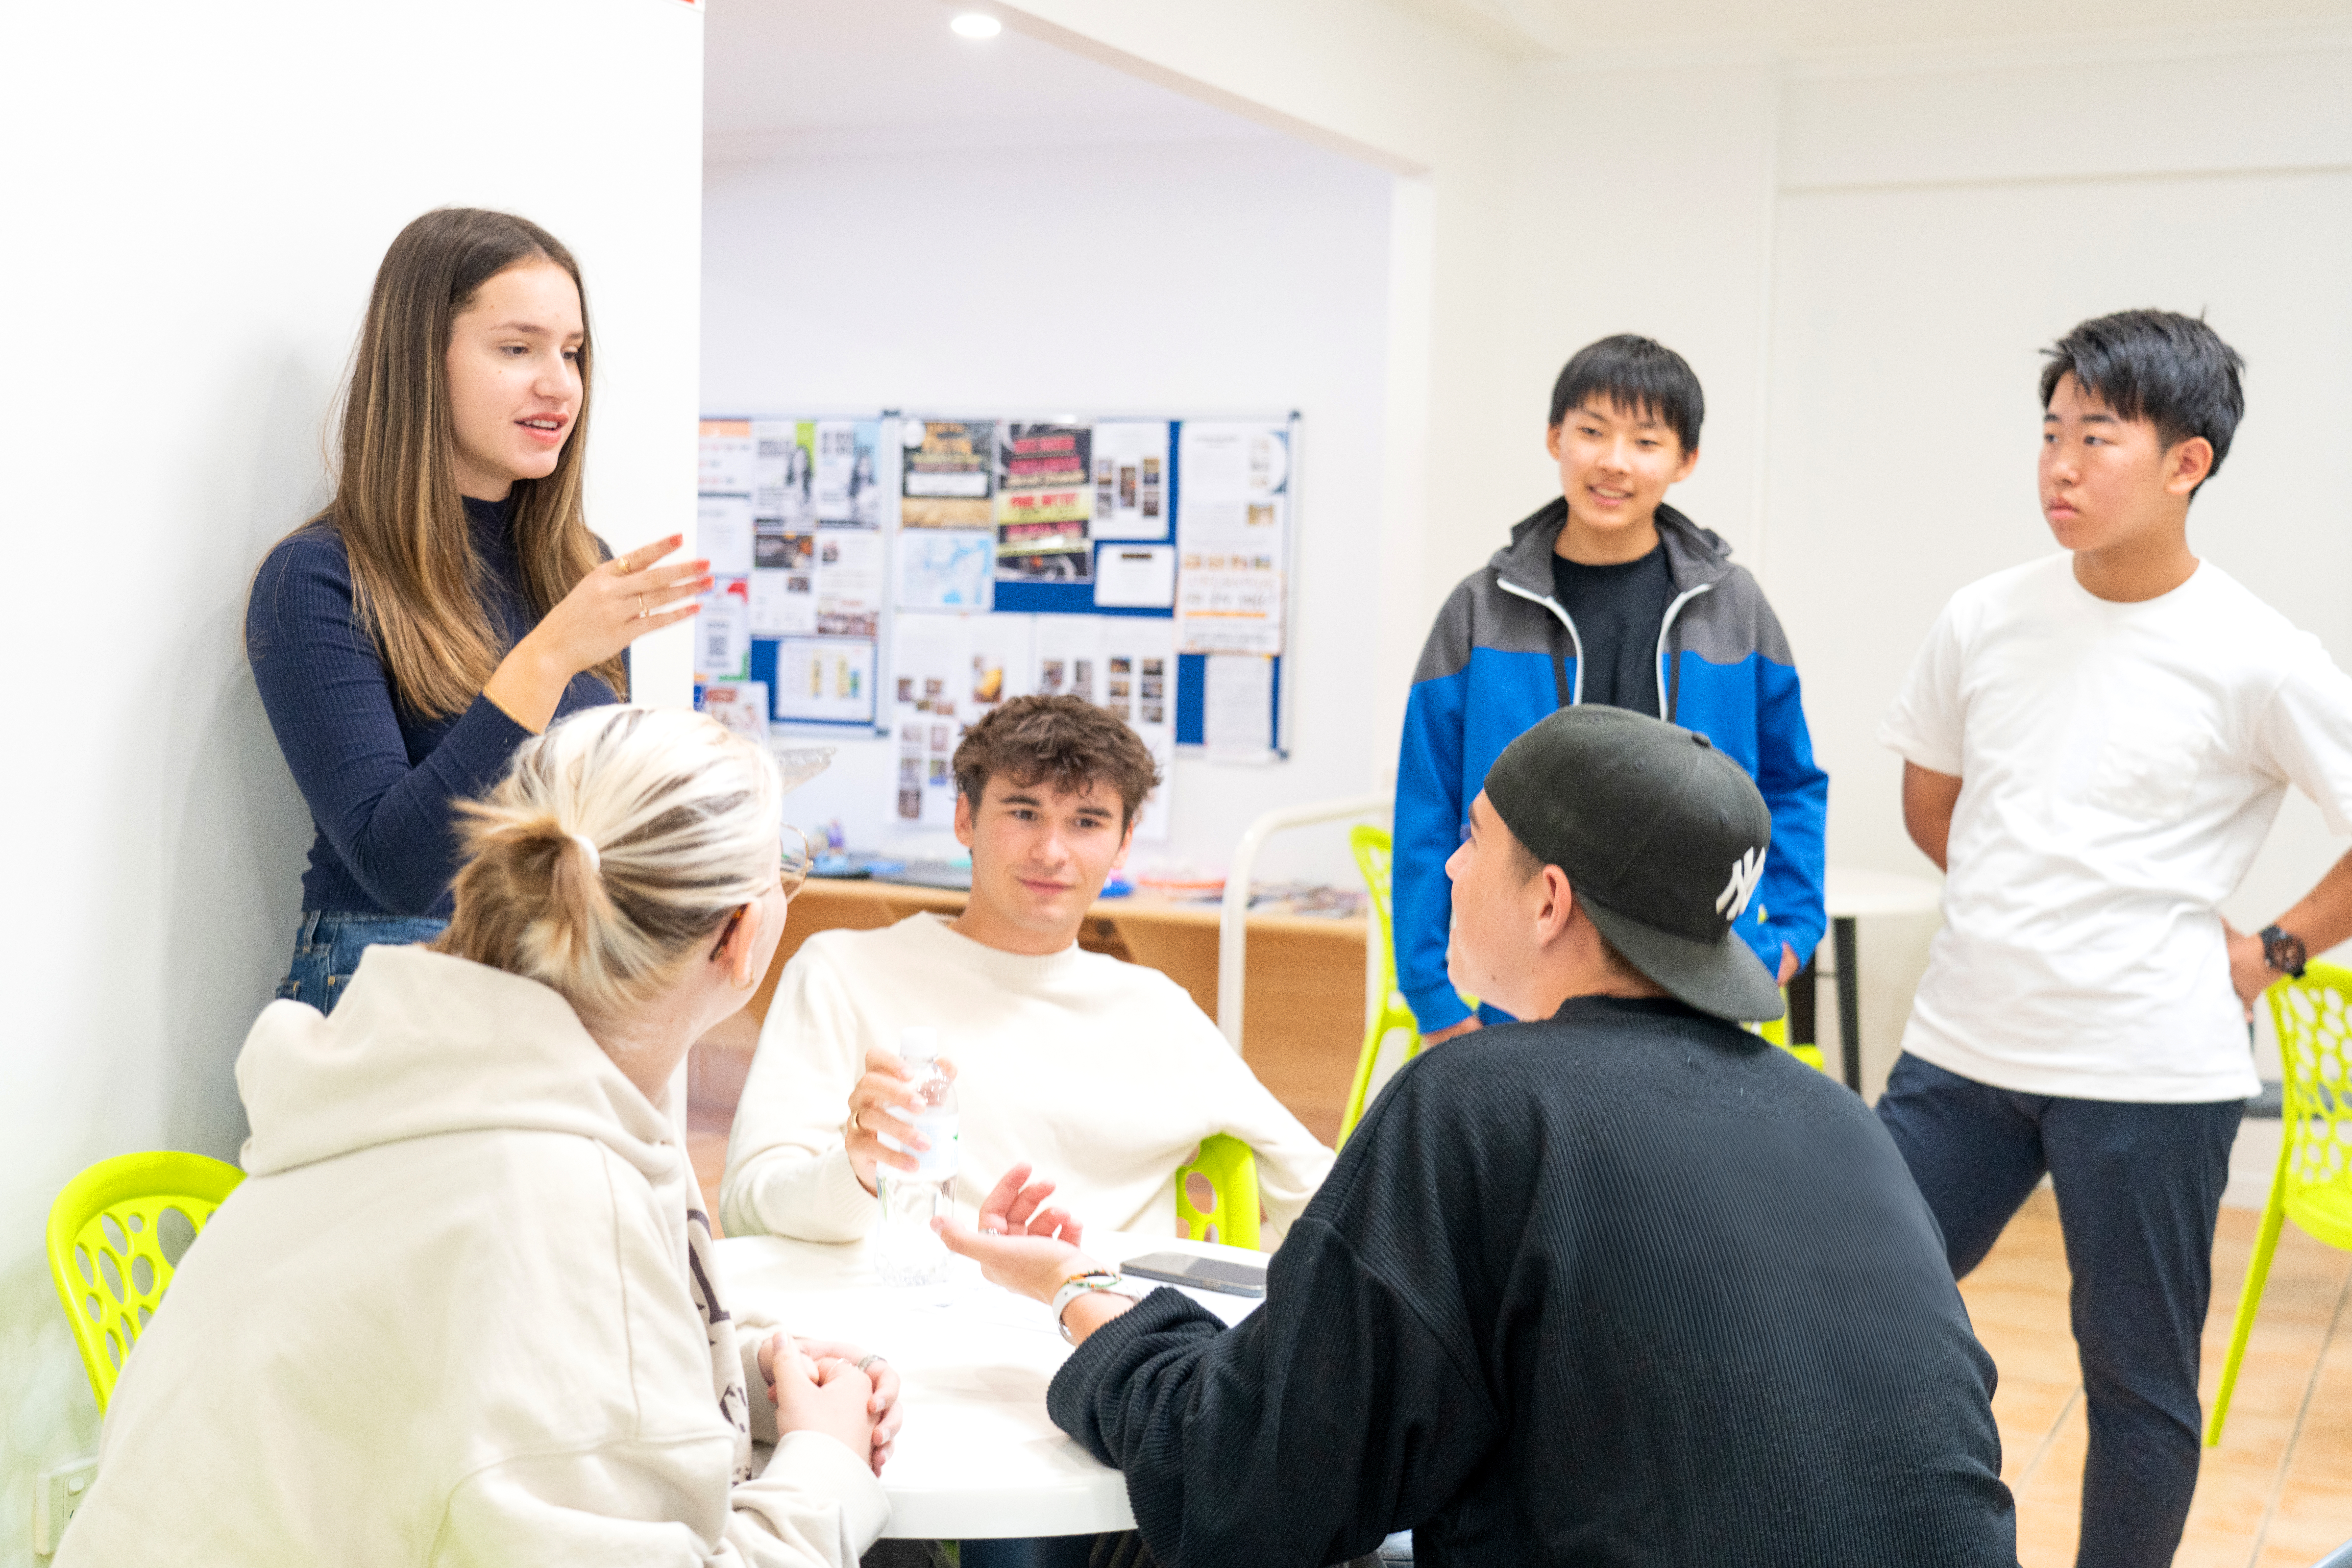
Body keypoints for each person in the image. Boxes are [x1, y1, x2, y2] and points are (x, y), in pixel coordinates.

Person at [939, 707, 2019, 1568]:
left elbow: (1245, 1486)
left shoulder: (1480, 1102)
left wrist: (1082, 1295)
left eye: (1473, 841)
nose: (1449, 874)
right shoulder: (1836, 1117)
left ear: (1549, 900)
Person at [60, 706, 899, 1567]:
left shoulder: (420, 1091)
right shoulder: (557, 1183)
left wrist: (739, 1370)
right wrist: (825, 1473)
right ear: (742, 933)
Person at [1875, 309, 2352, 1568]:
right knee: (1846, 1294)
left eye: (2096, 436)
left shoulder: (2256, 654)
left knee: (2136, 1383)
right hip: (1960, 1051)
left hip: (2149, 1070)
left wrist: (2270, 950)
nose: (2058, 466)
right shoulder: (1982, 616)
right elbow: (1933, 803)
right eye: (2047, 433)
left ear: (2185, 462)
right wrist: (2020, 898)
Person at [246, 206, 710, 1013]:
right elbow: (401, 869)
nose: (559, 384)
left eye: (571, 353)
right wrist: (546, 658)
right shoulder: (317, 579)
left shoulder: (579, 564)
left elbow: (590, 835)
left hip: (557, 987)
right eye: (516, 348)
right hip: (389, 989)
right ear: (422, 363)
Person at [721, 694, 1333, 1245]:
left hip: (1108, 1342)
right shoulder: (841, 973)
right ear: (965, 819)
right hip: (900, 1336)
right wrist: (854, 1173)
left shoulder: (1159, 1011)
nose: (1052, 851)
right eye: (1024, 813)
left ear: (1124, 844)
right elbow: (748, 1206)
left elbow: (1325, 1195)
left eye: (1087, 822)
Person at [1394, 333, 1827, 1048]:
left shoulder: (1734, 607)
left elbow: (1793, 785)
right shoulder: (1479, 611)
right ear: (1554, 437)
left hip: (1693, 976)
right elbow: (1427, 808)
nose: (1614, 461)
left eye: (1646, 441)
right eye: (1592, 431)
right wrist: (1437, 997)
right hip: (1516, 985)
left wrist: (1787, 934)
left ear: (1685, 461)